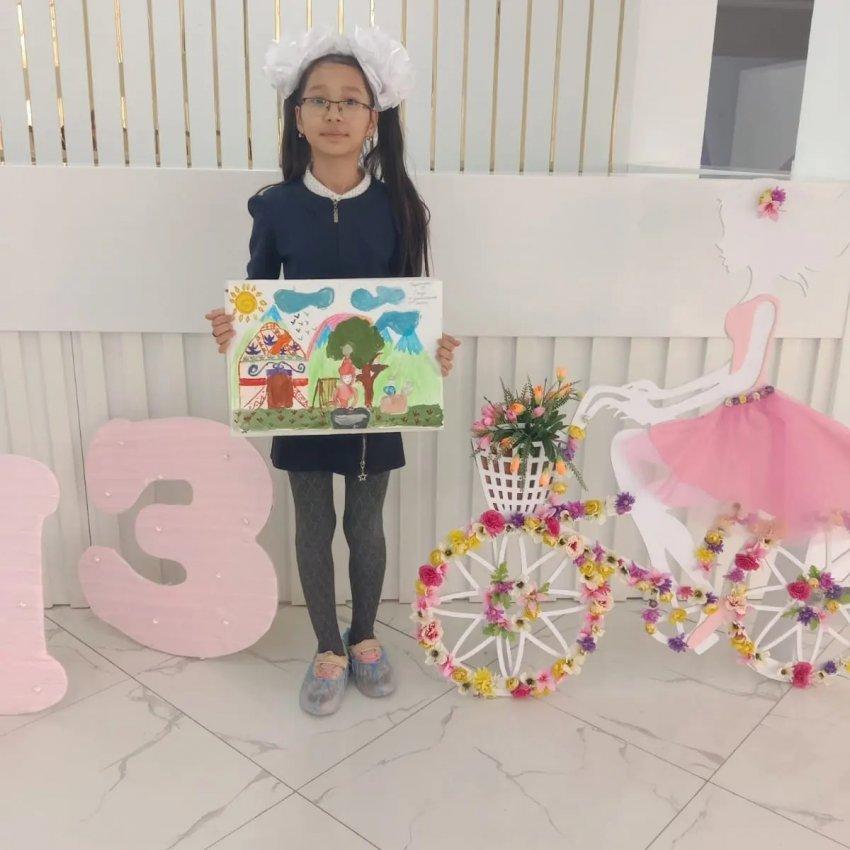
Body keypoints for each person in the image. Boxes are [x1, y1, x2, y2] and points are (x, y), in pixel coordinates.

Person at [205, 25, 460, 716]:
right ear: (298, 116)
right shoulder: (275, 206)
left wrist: (430, 350)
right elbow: (260, 297)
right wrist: (237, 331)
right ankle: (327, 646)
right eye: (318, 99)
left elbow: (410, 304)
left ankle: (365, 636)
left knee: (366, 527)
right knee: (313, 525)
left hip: (380, 399)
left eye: (350, 100)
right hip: (301, 401)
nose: (334, 112)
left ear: (374, 118)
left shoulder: (401, 207)